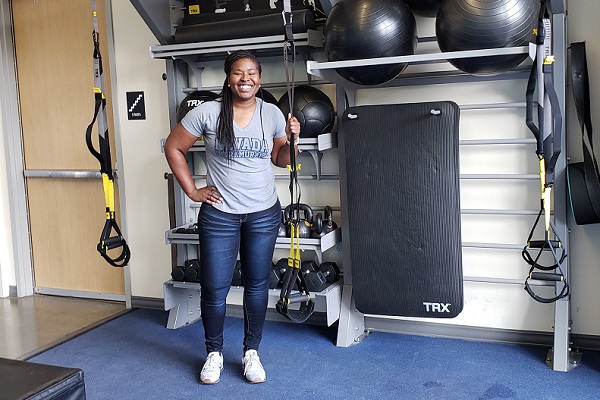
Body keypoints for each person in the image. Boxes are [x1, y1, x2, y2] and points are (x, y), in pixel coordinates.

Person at [164, 49, 301, 385]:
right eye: (239, 73)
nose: (246, 79)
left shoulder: (270, 113)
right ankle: (214, 353)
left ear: (259, 78)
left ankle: (251, 352)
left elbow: (280, 160)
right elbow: (173, 146)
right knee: (214, 288)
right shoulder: (209, 113)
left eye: (252, 73)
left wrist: (294, 139)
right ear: (228, 77)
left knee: (257, 285)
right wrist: (193, 191)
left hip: (263, 214)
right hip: (220, 215)